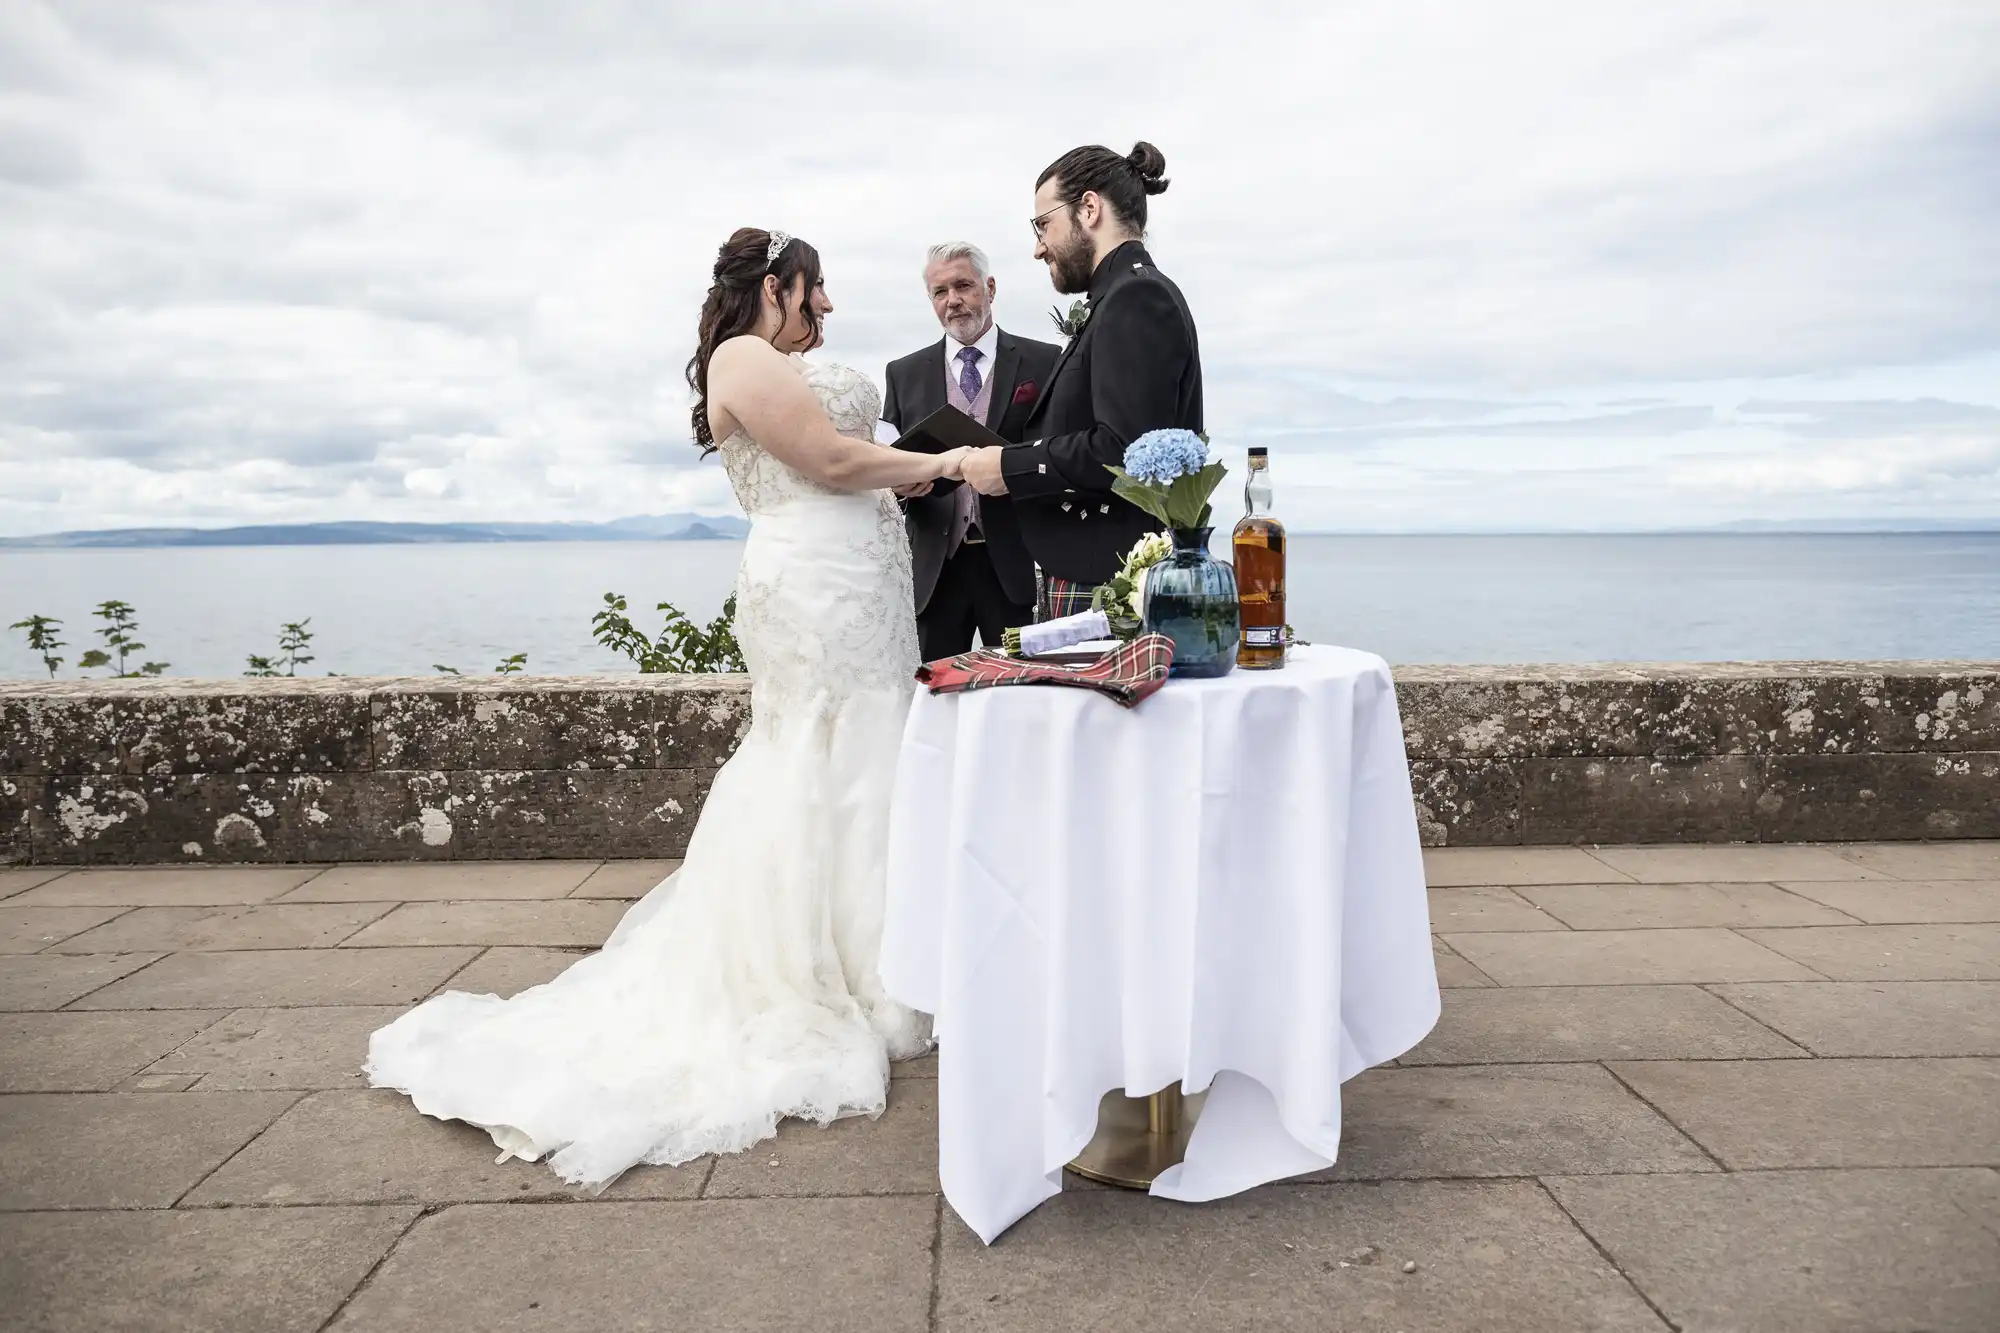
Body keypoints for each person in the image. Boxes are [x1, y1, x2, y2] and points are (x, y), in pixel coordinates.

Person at [366, 228, 965, 1191]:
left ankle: (887, 964)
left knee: (868, 756)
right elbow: (830, 460)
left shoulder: (771, 356)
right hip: (814, 582)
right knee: (815, 757)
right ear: (777, 287)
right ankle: (833, 980)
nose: (827, 308)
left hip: (859, 582)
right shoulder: (743, 357)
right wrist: (948, 465)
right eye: (816, 290)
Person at [958, 141, 1204, 619]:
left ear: (1089, 208)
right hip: (1094, 571)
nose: (1038, 247)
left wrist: (1009, 466)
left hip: (1109, 582)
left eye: (1043, 224)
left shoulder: (1136, 298)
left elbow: (1121, 450)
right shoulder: (1121, 295)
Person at [881, 243, 1060, 659]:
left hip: (1017, 563)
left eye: (963, 285)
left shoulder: (1045, 362)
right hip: (935, 571)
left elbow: (1056, 452)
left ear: (990, 288)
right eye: (940, 292)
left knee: (1024, 693)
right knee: (936, 699)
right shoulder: (903, 374)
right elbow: (885, 468)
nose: (953, 300)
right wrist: (900, 486)